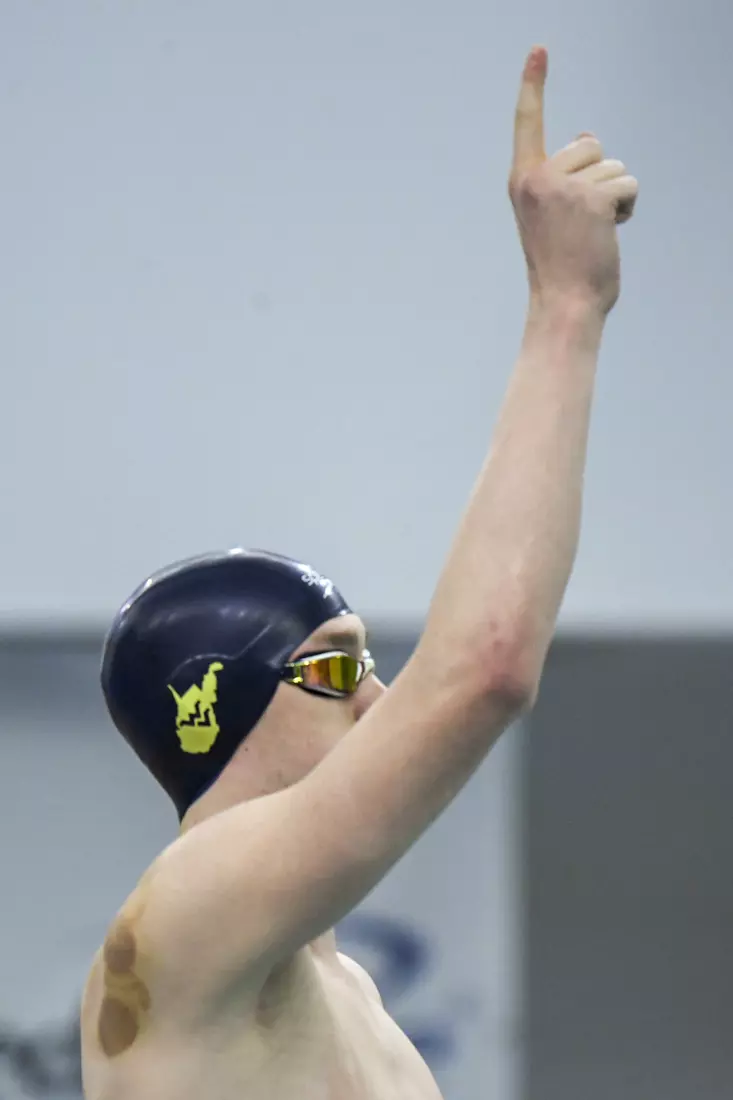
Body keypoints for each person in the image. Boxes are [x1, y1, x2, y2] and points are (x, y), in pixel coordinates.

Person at [80, 45, 638, 1100]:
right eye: (334, 671)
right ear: (211, 710)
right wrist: (565, 307)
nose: (377, 697)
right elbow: (483, 668)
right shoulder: (189, 918)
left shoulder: (346, 994)